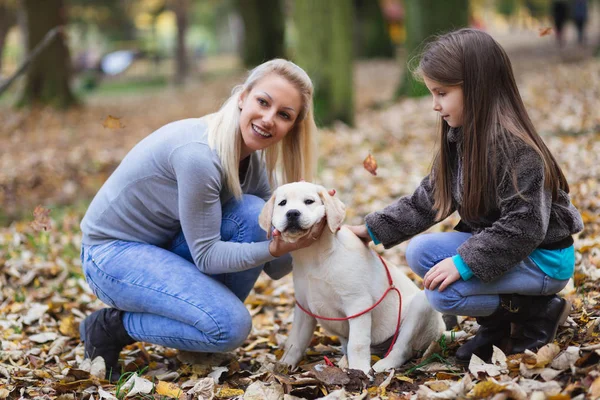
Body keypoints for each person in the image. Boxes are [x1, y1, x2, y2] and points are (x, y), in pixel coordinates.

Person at [79, 59, 325, 381]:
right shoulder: (199, 156)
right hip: (111, 256)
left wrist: (313, 227)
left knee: (255, 214)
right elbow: (210, 257)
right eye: (263, 102)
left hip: (166, 247)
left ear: (292, 126)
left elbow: (276, 267)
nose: (268, 119)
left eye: (284, 114)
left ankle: (200, 325)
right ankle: (110, 327)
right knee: (230, 327)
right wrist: (276, 249)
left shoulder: (252, 163)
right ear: (242, 96)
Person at [348, 28, 583, 364]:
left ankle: (536, 310)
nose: (435, 105)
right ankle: (499, 324)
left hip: (543, 258)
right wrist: (372, 230)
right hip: (504, 249)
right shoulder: (461, 137)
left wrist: (464, 263)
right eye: (432, 93)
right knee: (420, 253)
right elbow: (430, 197)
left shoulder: (518, 150)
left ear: (477, 88)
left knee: (444, 295)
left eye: (442, 93)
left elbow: (525, 225)